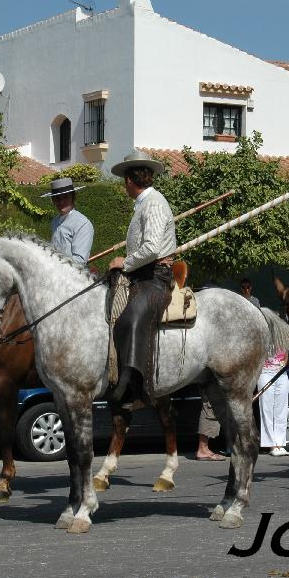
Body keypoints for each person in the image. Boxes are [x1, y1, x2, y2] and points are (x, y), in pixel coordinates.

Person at [107, 150, 177, 409]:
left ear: (129, 180)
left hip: (156, 277)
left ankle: (138, 387)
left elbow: (152, 249)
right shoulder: (144, 204)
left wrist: (123, 262)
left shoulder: (155, 203)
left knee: (131, 317)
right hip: (141, 274)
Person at [41, 177, 94, 264]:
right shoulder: (55, 221)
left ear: (73, 197)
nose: (61, 202)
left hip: (72, 275)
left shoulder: (82, 224)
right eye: (57, 198)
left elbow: (79, 260)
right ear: (53, 201)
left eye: (65, 197)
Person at [257, 349, 289, 456]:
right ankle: (271, 445)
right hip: (265, 373)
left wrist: (284, 361)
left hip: (282, 374)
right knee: (267, 410)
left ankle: (280, 444)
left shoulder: (283, 336)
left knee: (281, 410)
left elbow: (287, 353)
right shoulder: (265, 334)